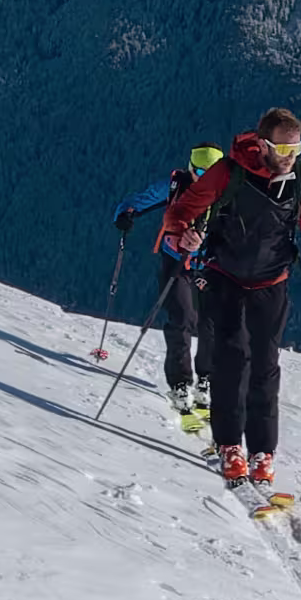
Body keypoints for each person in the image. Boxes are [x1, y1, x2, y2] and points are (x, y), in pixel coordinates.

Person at [158, 107, 301, 484]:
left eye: (296, 148)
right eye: (281, 148)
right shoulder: (230, 172)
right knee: (232, 359)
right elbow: (181, 212)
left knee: (265, 364)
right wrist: (184, 235)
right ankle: (229, 446)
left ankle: (262, 452)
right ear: (261, 144)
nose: (290, 155)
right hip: (225, 277)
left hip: (272, 282)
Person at [110, 145, 224, 432]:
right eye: (199, 172)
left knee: (212, 325)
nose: (205, 177)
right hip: (176, 263)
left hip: (212, 267)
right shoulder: (176, 187)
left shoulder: (227, 195)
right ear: (190, 168)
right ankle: (181, 384)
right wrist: (124, 214)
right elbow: (142, 199)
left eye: (211, 172)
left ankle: (206, 380)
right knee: (182, 320)